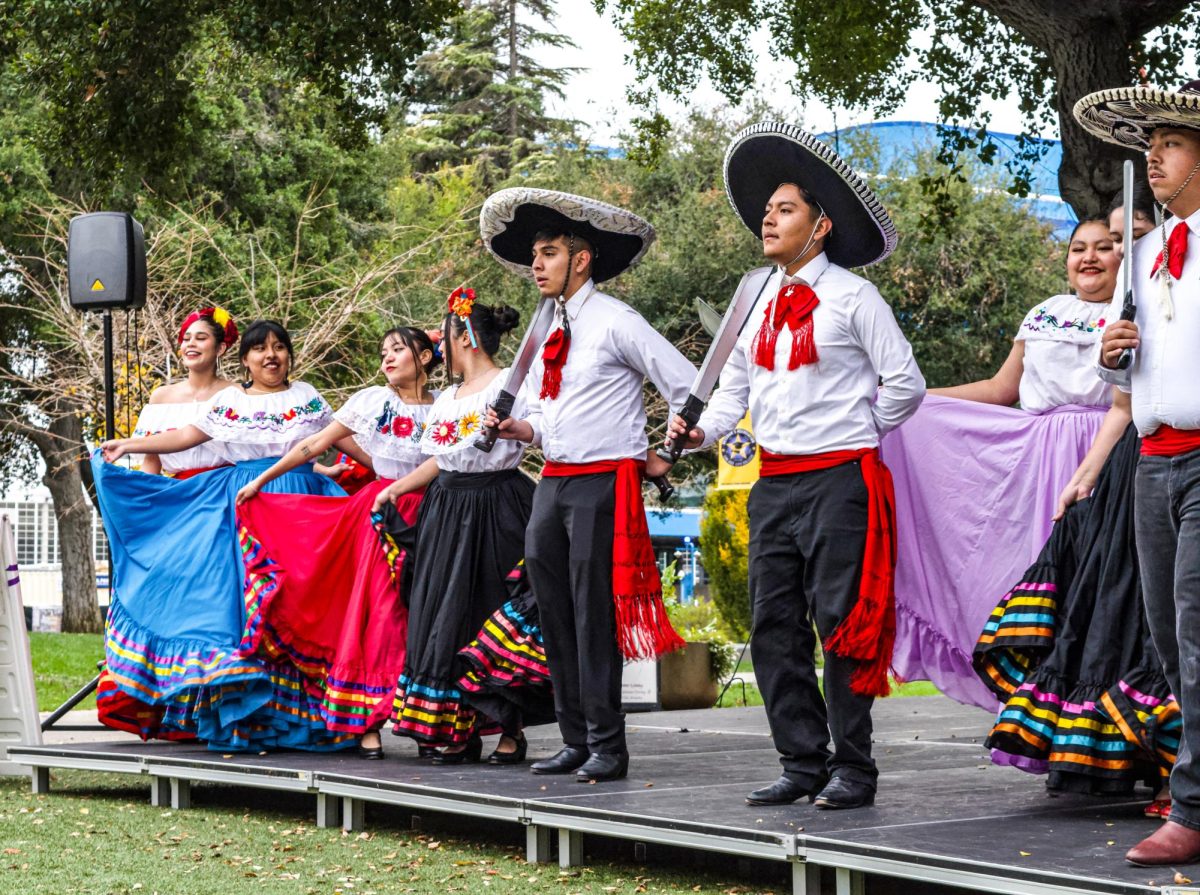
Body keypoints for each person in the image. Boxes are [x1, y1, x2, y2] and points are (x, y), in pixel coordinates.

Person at [668, 122, 925, 809]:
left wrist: (856, 429)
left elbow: (907, 384)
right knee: (772, 624)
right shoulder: (753, 301)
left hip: (842, 479)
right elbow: (731, 399)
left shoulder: (853, 297)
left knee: (842, 623)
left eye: (784, 209)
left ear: (820, 226)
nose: (768, 219)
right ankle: (800, 761)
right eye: (766, 211)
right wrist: (695, 435)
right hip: (773, 483)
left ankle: (854, 766)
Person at [483, 187, 697, 783]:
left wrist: (667, 453)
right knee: (552, 611)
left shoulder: (616, 321)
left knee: (591, 613)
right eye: (535, 254)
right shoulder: (548, 327)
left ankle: (608, 745)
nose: (537, 264)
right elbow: (544, 421)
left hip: (605, 482)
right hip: (553, 480)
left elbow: (685, 386)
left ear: (581, 259)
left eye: (548, 252)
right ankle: (575, 738)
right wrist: (512, 426)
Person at [879, 221, 1121, 710]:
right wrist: (912, 399)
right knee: (1041, 587)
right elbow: (999, 389)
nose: (1088, 257)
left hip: (1110, 448)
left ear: (1125, 257)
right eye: (1078, 248)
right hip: (1040, 461)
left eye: (1104, 247)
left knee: (1101, 584)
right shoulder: (1045, 314)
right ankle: (1047, 710)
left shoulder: (1134, 313)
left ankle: (1102, 711)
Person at [95, 319, 348, 751]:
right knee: (247, 609)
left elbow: (342, 437)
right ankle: (246, 718)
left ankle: (311, 718)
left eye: (279, 347)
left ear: (289, 354)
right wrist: (130, 445)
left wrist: (390, 470)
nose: (271, 355)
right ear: (245, 358)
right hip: (247, 505)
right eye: (260, 349)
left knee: (301, 606)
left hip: (303, 504)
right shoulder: (231, 400)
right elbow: (186, 436)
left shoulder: (307, 396)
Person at [1080, 79, 1200, 866]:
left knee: (1197, 628)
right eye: (1148, 142)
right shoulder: (1147, 252)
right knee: (1168, 635)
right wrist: (1110, 353)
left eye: (1173, 141)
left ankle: (1191, 807)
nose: (1152, 154)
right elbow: (1127, 382)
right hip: (1151, 460)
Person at [233, 327, 440, 757]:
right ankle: (368, 721)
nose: (386, 358)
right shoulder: (373, 401)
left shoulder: (446, 407)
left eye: (397, 349)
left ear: (424, 356)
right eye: (383, 351)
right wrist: (261, 481)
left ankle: (425, 717)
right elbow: (314, 443)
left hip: (437, 515)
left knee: (429, 615)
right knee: (382, 616)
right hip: (382, 515)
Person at [374, 294, 540, 764]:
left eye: (443, 339)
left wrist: (517, 427)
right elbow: (441, 460)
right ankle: (459, 731)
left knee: (492, 610)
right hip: (446, 510)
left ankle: (510, 730)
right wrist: (395, 489)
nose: (440, 349)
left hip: (496, 505)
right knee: (443, 614)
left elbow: (536, 428)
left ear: (464, 337)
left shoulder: (510, 382)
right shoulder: (447, 397)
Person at [95, 306, 238, 738]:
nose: (191, 344)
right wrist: (148, 518)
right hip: (174, 506)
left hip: (220, 505)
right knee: (170, 599)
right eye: (186, 338)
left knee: (214, 605)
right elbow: (151, 462)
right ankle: (167, 703)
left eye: (201, 337)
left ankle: (214, 706)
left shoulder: (236, 394)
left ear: (220, 346)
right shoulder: (161, 398)